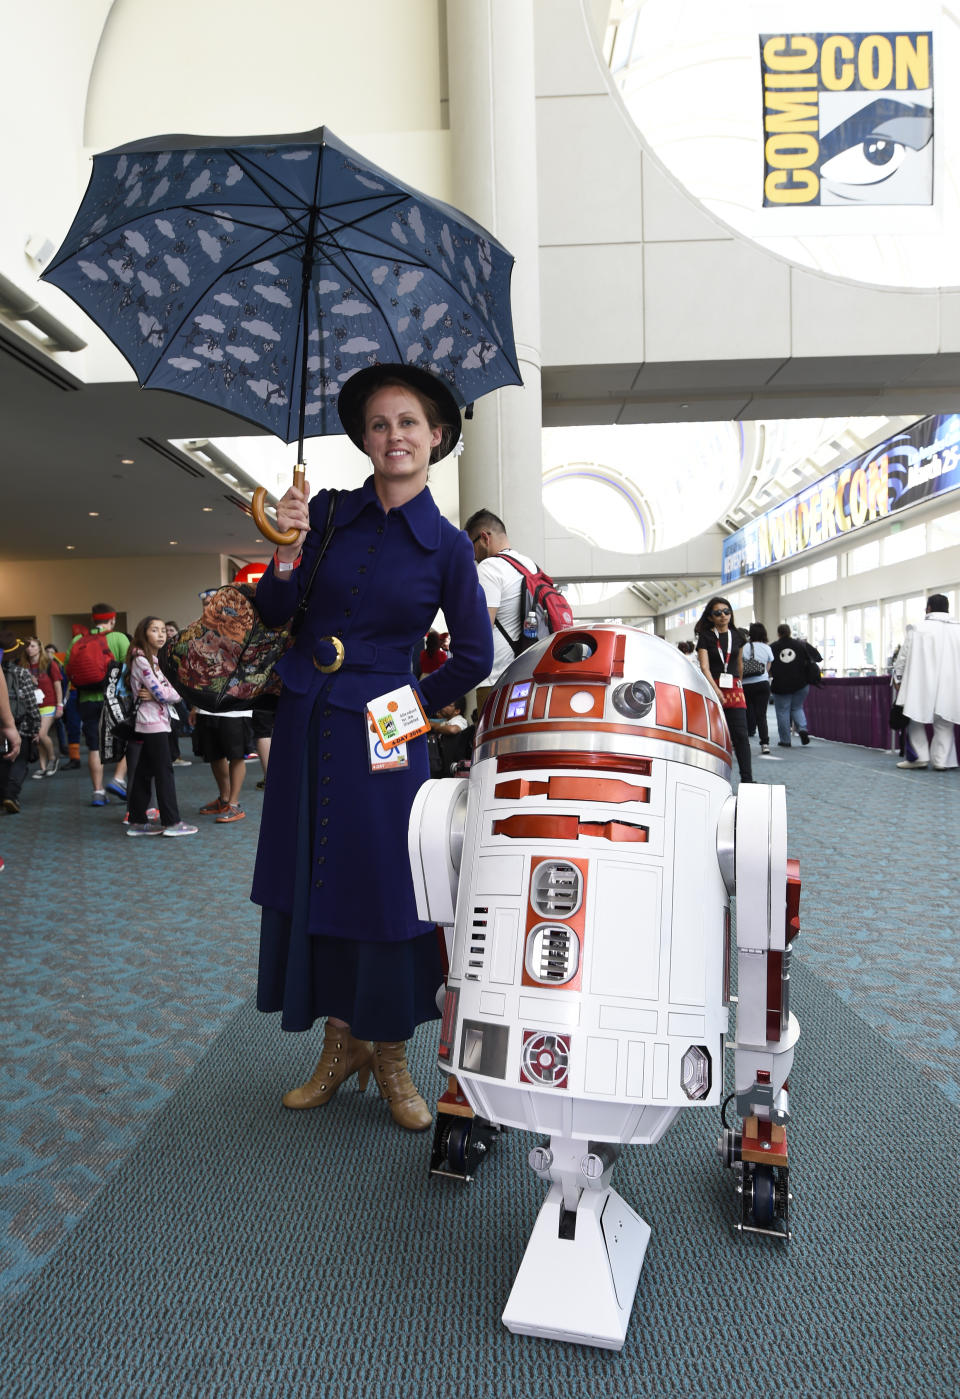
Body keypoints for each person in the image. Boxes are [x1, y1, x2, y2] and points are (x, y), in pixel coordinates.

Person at [253, 362, 492, 1132]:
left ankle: (389, 1054)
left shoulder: (449, 546)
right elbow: (275, 607)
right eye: (380, 423)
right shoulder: (323, 514)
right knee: (316, 873)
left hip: (386, 731)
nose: (394, 435)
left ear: (437, 438)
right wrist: (285, 547)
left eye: (409, 423)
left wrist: (405, 711)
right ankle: (338, 1044)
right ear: (364, 437)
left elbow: (474, 656)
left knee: (386, 885)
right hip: (309, 717)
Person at [124, 617, 197, 837]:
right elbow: (164, 692)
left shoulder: (153, 660)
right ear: (143, 634)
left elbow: (166, 690)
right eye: (154, 630)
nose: (161, 634)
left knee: (144, 772)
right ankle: (171, 822)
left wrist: (167, 692)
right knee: (164, 771)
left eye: (163, 630)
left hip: (156, 720)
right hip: (151, 723)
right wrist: (172, 693)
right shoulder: (142, 660)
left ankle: (137, 820)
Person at [462, 508, 538, 714]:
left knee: (493, 743)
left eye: (472, 548)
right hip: (528, 677)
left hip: (496, 680)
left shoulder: (489, 567)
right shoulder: (531, 566)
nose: (473, 557)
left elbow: (482, 627)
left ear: (484, 538)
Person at [65, 604, 129, 805]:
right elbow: (130, 667)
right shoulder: (118, 638)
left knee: (94, 746)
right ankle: (118, 779)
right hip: (114, 698)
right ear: (112, 619)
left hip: (86, 700)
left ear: (93, 620)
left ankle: (98, 792)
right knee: (129, 741)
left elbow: (68, 668)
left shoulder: (77, 639)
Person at [892, 593, 960, 771]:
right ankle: (942, 761)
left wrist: (897, 678)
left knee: (915, 717)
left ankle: (919, 758)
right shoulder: (958, 628)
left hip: (920, 683)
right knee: (945, 720)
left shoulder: (917, 628)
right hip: (951, 683)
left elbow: (903, 658)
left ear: (928, 608)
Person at [694, 596, 753, 784]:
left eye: (726, 611)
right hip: (713, 688)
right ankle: (713, 780)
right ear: (710, 617)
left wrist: (739, 684)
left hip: (735, 691)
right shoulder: (706, 637)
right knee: (714, 736)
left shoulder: (738, 636)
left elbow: (739, 664)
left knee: (741, 735)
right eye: (717, 613)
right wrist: (716, 689)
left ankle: (747, 779)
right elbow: (704, 667)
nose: (723, 616)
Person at [0, 634, 40, 815]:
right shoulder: (22, 673)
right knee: (20, 760)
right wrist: (35, 728)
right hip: (19, 724)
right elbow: (31, 704)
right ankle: (11, 794)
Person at [769, 624, 822, 748]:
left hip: (781, 684)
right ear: (790, 632)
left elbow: (768, 666)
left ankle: (785, 740)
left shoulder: (773, 647)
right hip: (801, 683)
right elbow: (817, 657)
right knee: (797, 707)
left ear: (778, 633)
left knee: (783, 711)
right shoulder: (801, 645)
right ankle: (802, 729)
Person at [21, 637, 63, 778]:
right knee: (36, 738)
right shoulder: (24, 666)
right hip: (32, 706)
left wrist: (60, 705)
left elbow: (57, 685)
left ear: (39, 648)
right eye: (27, 646)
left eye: (33, 646)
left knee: (41, 734)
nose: (29, 649)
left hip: (49, 704)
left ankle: (53, 758)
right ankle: (43, 767)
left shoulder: (49, 664)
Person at [741, 621, 774, 756]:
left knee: (746, 712)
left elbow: (740, 664)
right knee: (762, 715)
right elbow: (768, 666)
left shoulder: (744, 647)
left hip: (746, 684)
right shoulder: (767, 648)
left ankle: (744, 742)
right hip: (762, 683)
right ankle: (765, 744)